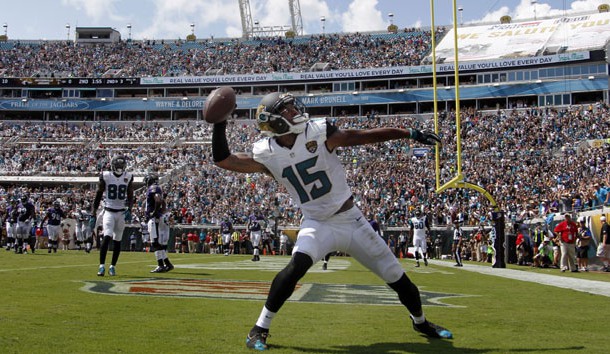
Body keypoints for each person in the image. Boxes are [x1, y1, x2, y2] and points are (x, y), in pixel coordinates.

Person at [211, 91, 451, 351]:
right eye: (288, 109)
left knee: (397, 276)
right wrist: (220, 122)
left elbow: (363, 137)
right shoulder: (267, 153)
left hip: (351, 219)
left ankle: (420, 322)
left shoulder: (317, 132)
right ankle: (259, 328)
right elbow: (224, 159)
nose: (295, 110)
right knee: (295, 267)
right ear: (277, 121)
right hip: (317, 222)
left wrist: (408, 133)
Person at [93, 155, 134, 277]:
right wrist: (93, 211)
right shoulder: (106, 176)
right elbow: (99, 194)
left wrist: (130, 209)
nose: (120, 168)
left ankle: (112, 266)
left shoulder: (128, 176)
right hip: (109, 211)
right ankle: (101, 266)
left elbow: (130, 195)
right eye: (118, 166)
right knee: (107, 236)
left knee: (117, 240)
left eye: (122, 166)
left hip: (121, 212)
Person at [145, 173, 174, 273]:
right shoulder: (157, 188)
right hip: (156, 218)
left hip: (154, 219)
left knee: (155, 243)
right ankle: (168, 264)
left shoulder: (153, 188)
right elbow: (162, 202)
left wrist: (154, 212)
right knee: (157, 243)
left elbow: (158, 200)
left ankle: (160, 265)